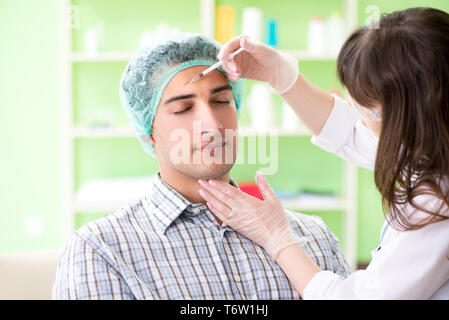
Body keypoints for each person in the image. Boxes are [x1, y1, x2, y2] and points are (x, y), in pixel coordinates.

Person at [52, 33, 351, 300]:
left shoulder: (314, 237)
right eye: (183, 108)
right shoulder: (101, 251)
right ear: (148, 132)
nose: (212, 124)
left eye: (222, 100)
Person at [198, 7, 449, 299]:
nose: (209, 124)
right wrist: (280, 74)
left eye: (367, 109)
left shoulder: (438, 200)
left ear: (418, 112)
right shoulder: (431, 144)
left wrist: (277, 239)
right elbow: (349, 131)